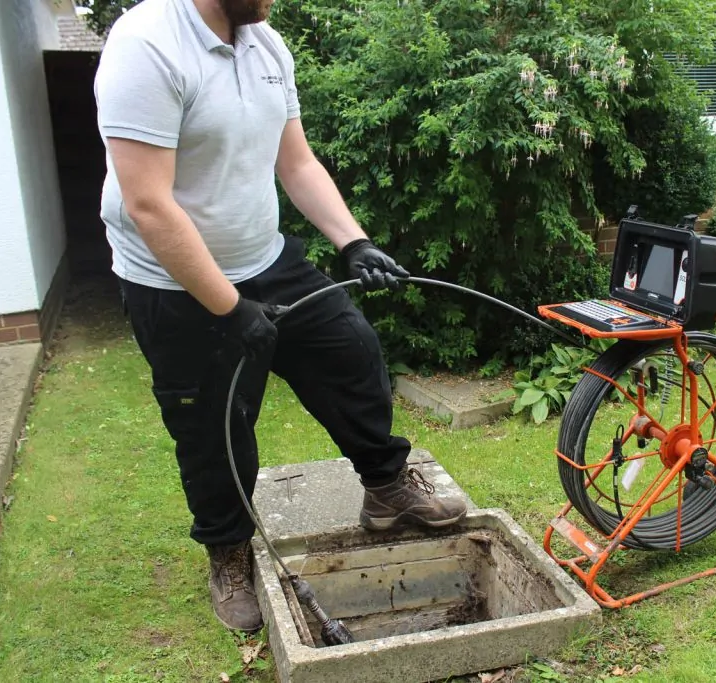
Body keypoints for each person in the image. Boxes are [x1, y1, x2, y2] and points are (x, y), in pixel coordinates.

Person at [93, 0, 467, 632]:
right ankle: (229, 554)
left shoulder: (264, 42)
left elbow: (294, 162)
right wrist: (230, 308)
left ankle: (387, 488)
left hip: (265, 258)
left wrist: (355, 241)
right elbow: (148, 203)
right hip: (173, 281)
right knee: (214, 426)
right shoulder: (146, 46)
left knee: (351, 352)